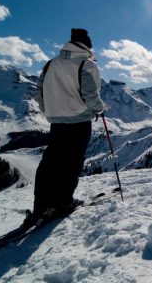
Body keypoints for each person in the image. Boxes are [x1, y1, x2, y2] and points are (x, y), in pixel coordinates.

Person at [26, 28, 104, 226]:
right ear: (87, 45)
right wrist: (100, 110)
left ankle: (41, 205)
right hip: (79, 121)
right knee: (72, 162)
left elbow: (38, 93)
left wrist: (50, 110)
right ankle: (63, 202)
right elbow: (90, 95)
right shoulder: (86, 64)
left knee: (50, 161)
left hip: (56, 121)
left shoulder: (51, 64)